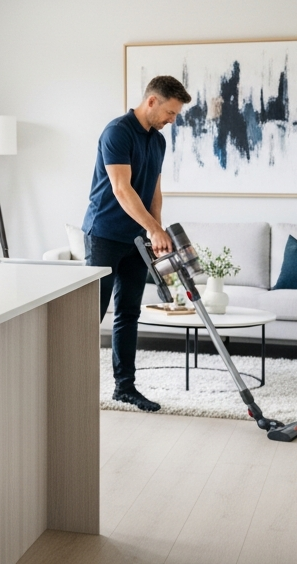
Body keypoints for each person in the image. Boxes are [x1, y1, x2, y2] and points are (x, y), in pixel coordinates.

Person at [82, 75, 191, 413]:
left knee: (128, 312)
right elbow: (121, 188)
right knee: (90, 316)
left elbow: (153, 191)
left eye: (175, 115)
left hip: (136, 238)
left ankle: (124, 388)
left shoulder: (157, 142)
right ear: (152, 101)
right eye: (171, 113)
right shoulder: (117, 131)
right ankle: (74, 387)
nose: (172, 120)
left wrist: (156, 231)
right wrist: (152, 230)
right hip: (105, 234)